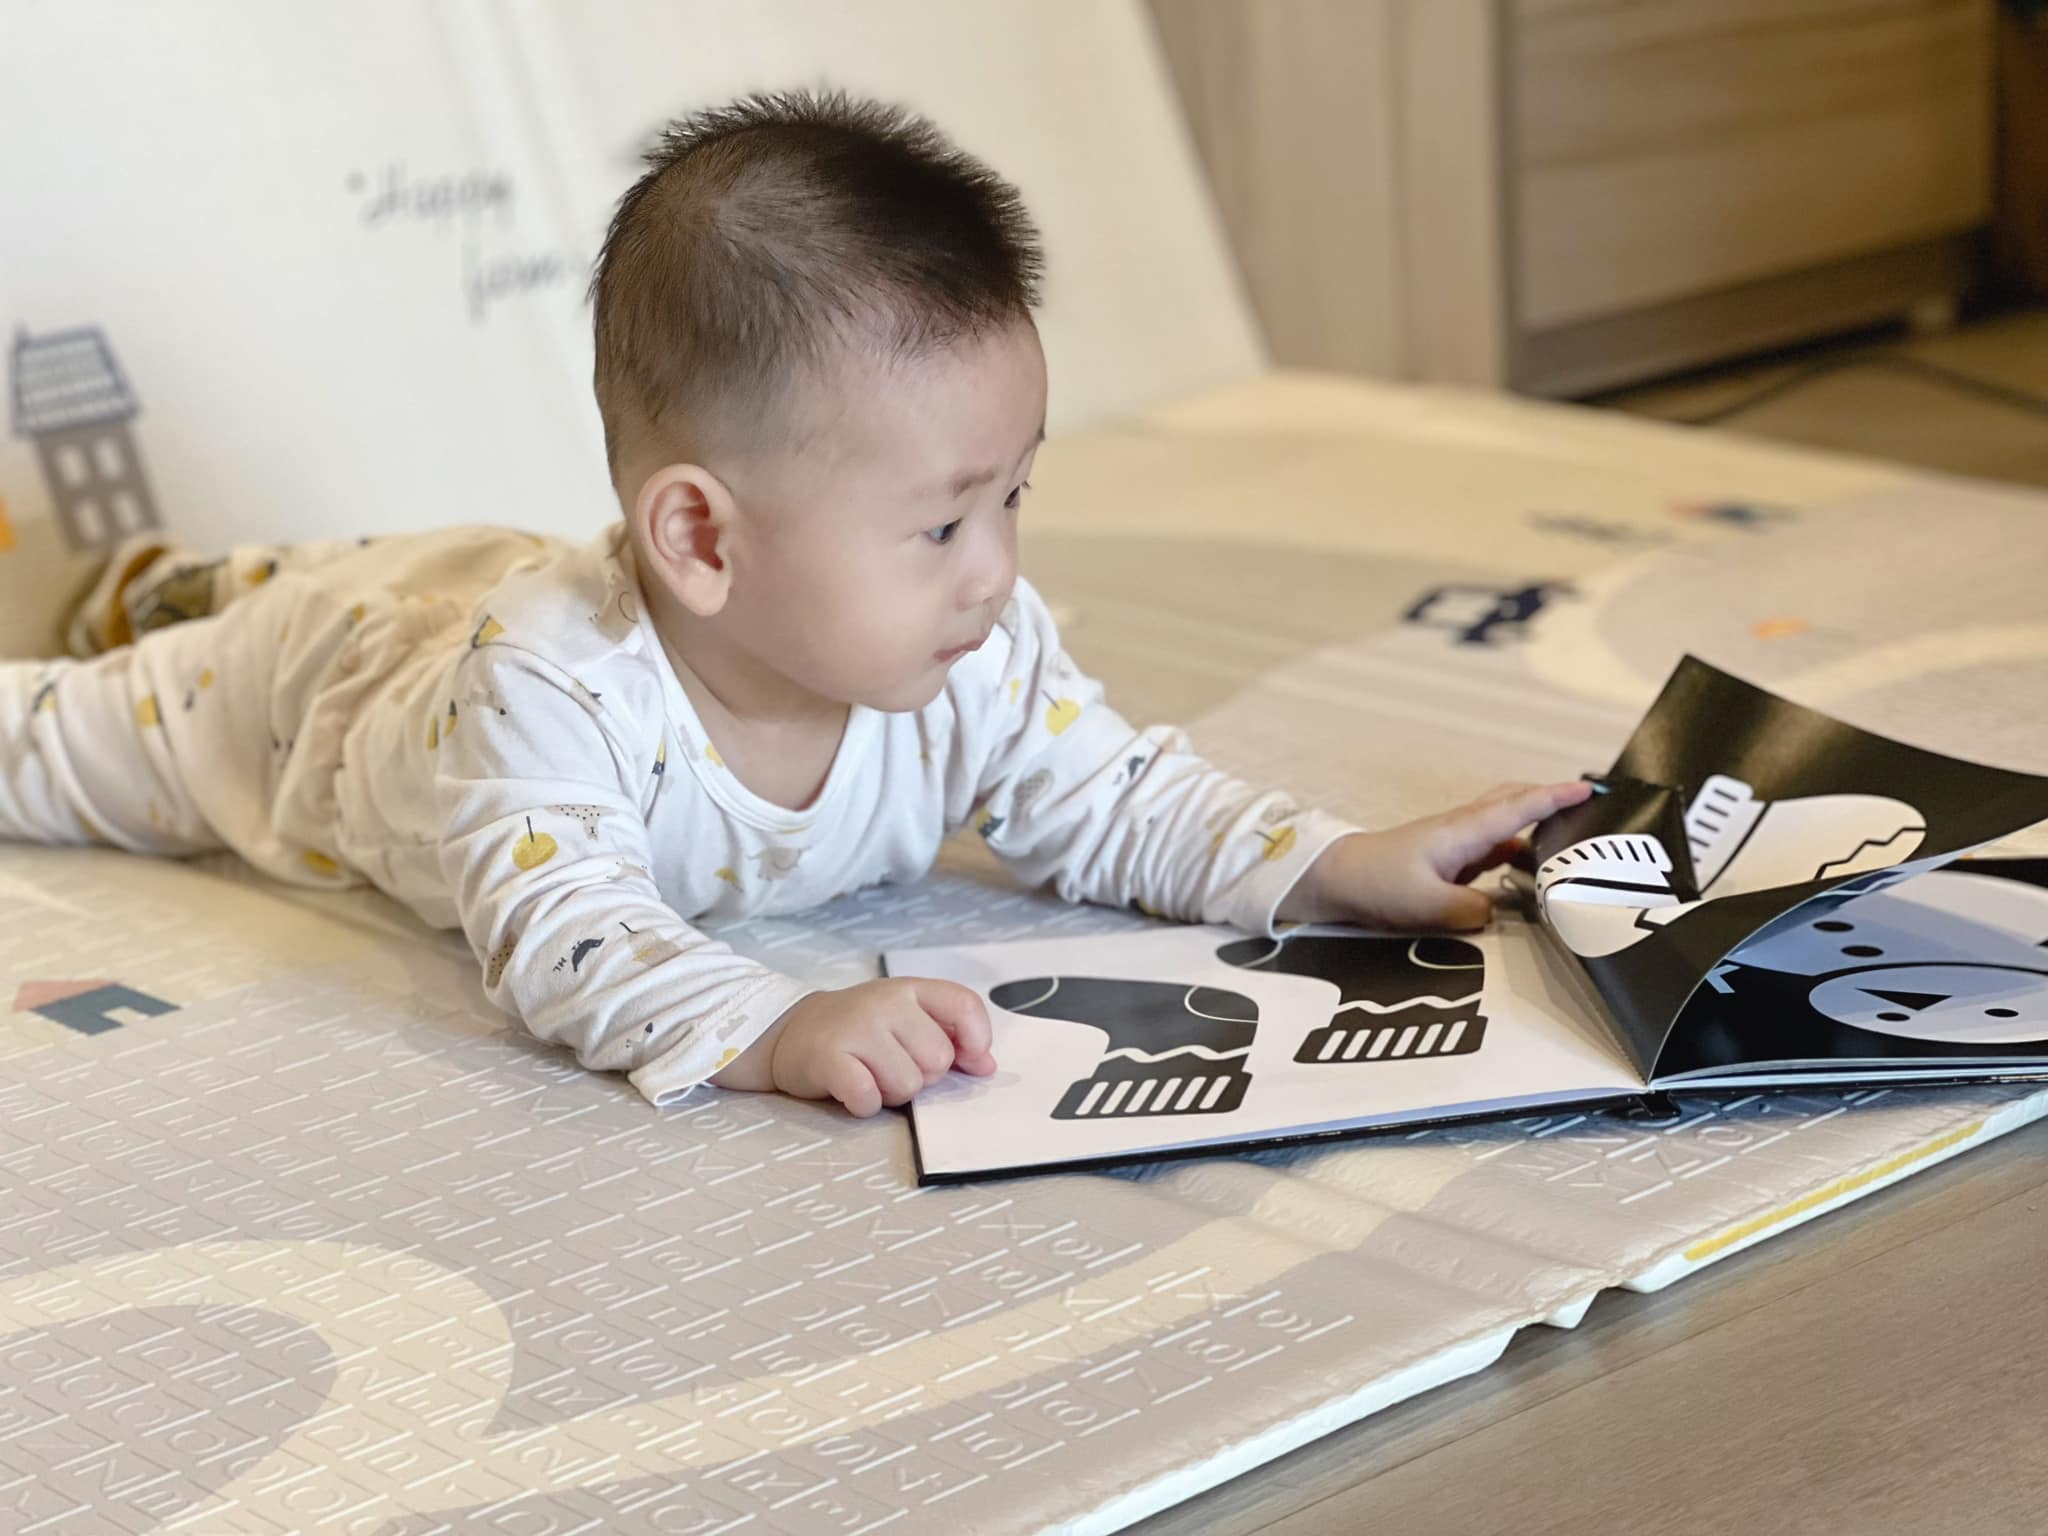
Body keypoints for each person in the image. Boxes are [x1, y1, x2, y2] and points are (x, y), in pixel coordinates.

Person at [0, 91, 1589, 1117]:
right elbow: (569, 932)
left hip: (451, 593)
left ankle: (178, 581)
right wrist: (771, 1028)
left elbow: (1113, 798)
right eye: (943, 522)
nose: (997, 568)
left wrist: (1331, 865)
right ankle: (187, 607)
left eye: (1013, 495)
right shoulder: (546, 694)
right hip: (313, 695)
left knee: (407, 574)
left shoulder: (968, 646)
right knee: (72, 745)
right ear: (702, 540)